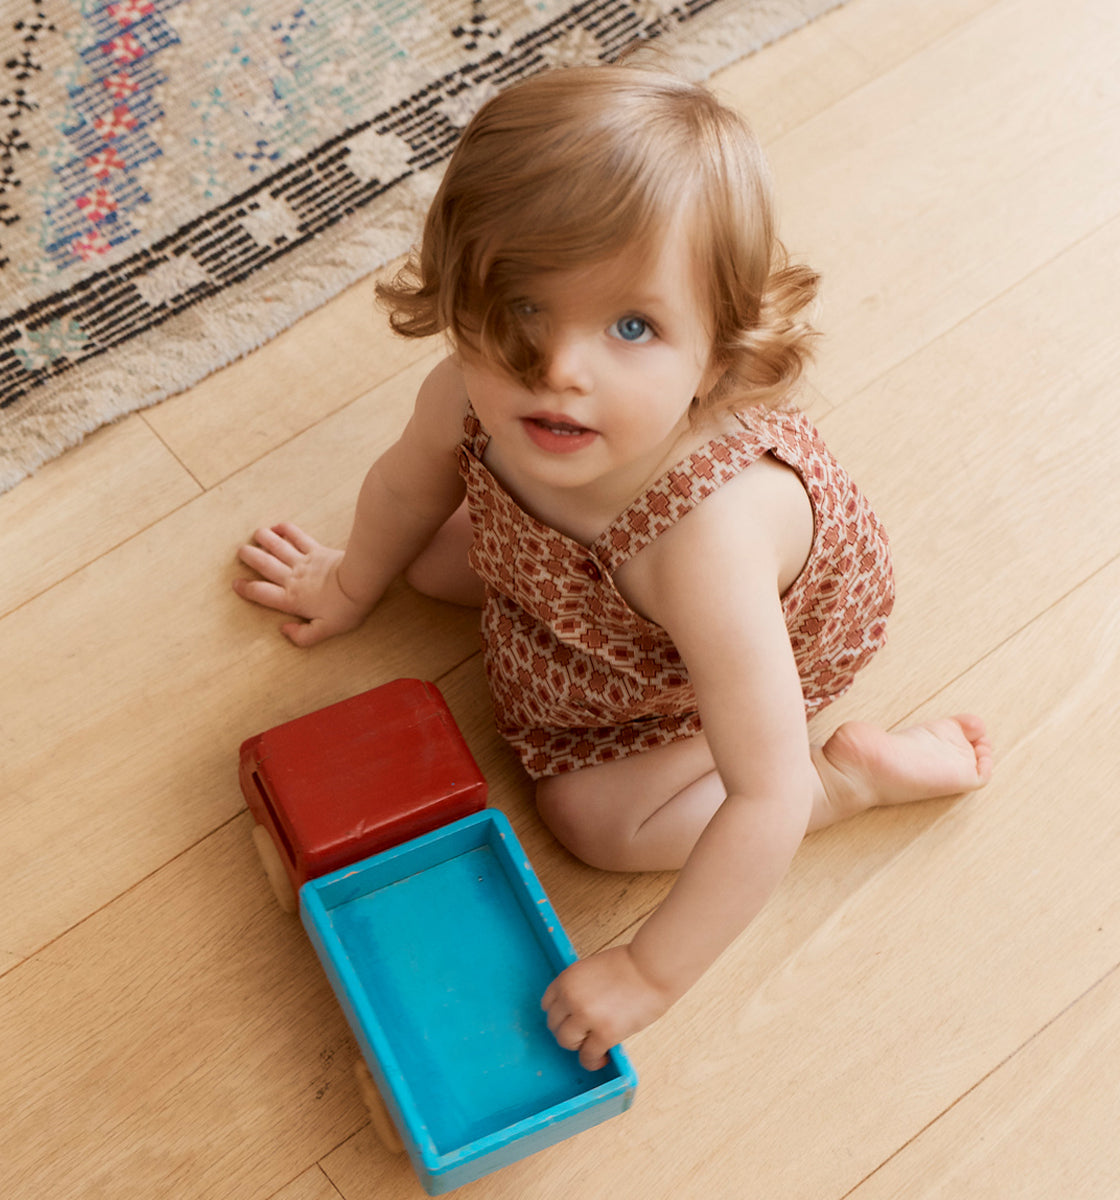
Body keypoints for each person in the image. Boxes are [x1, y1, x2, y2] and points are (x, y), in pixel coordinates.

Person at [234, 62, 992, 1072]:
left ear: (717, 355)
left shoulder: (708, 545)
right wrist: (346, 583)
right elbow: (405, 491)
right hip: (585, 588)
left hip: (720, 652)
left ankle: (850, 782)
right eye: (522, 307)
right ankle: (523, 575)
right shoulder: (468, 390)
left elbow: (760, 794)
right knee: (421, 563)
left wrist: (648, 972)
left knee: (594, 819)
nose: (558, 369)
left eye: (632, 327)